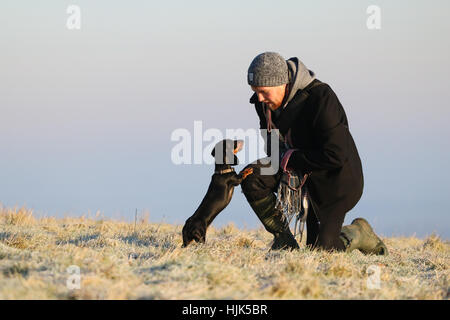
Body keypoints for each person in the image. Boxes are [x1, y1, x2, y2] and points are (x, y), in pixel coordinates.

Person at [241, 52, 388, 255]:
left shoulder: (321, 98)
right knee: (251, 177)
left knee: (322, 250)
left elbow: (335, 154)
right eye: (255, 91)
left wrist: (290, 157)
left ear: (282, 83)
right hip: (298, 173)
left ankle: (358, 233)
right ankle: (284, 243)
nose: (259, 98)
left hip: (336, 182)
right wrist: (279, 160)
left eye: (263, 91)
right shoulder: (263, 104)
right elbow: (272, 149)